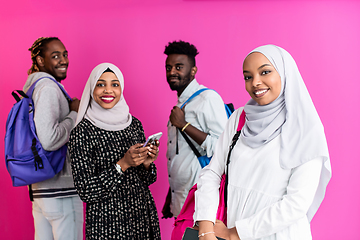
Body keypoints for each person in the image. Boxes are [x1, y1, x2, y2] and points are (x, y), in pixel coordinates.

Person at [194, 44, 331, 240]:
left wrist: (235, 233)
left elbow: (297, 203)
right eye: (248, 77)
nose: (255, 82)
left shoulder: (306, 128)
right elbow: (212, 172)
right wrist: (206, 228)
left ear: (285, 73)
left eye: (265, 72)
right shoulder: (240, 119)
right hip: (228, 229)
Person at [69, 63, 161, 240]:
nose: (108, 90)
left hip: (141, 217)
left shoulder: (134, 124)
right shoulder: (82, 132)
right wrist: (123, 164)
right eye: (101, 84)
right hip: (107, 224)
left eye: (115, 84)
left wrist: (148, 163)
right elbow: (86, 191)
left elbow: (147, 180)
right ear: (91, 88)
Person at [24, 37, 83, 240]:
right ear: (40, 61)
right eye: (55, 56)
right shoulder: (47, 88)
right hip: (60, 191)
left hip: (42, 190)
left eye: (65, 54)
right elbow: (48, 140)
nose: (63, 60)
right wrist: (74, 114)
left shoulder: (33, 88)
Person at [162, 40, 229, 219]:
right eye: (168, 68)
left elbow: (224, 147)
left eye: (179, 67)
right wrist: (172, 195)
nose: (172, 72)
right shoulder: (182, 103)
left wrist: (184, 125)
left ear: (193, 70)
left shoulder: (207, 99)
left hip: (200, 199)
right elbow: (180, 155)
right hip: (181, 197)